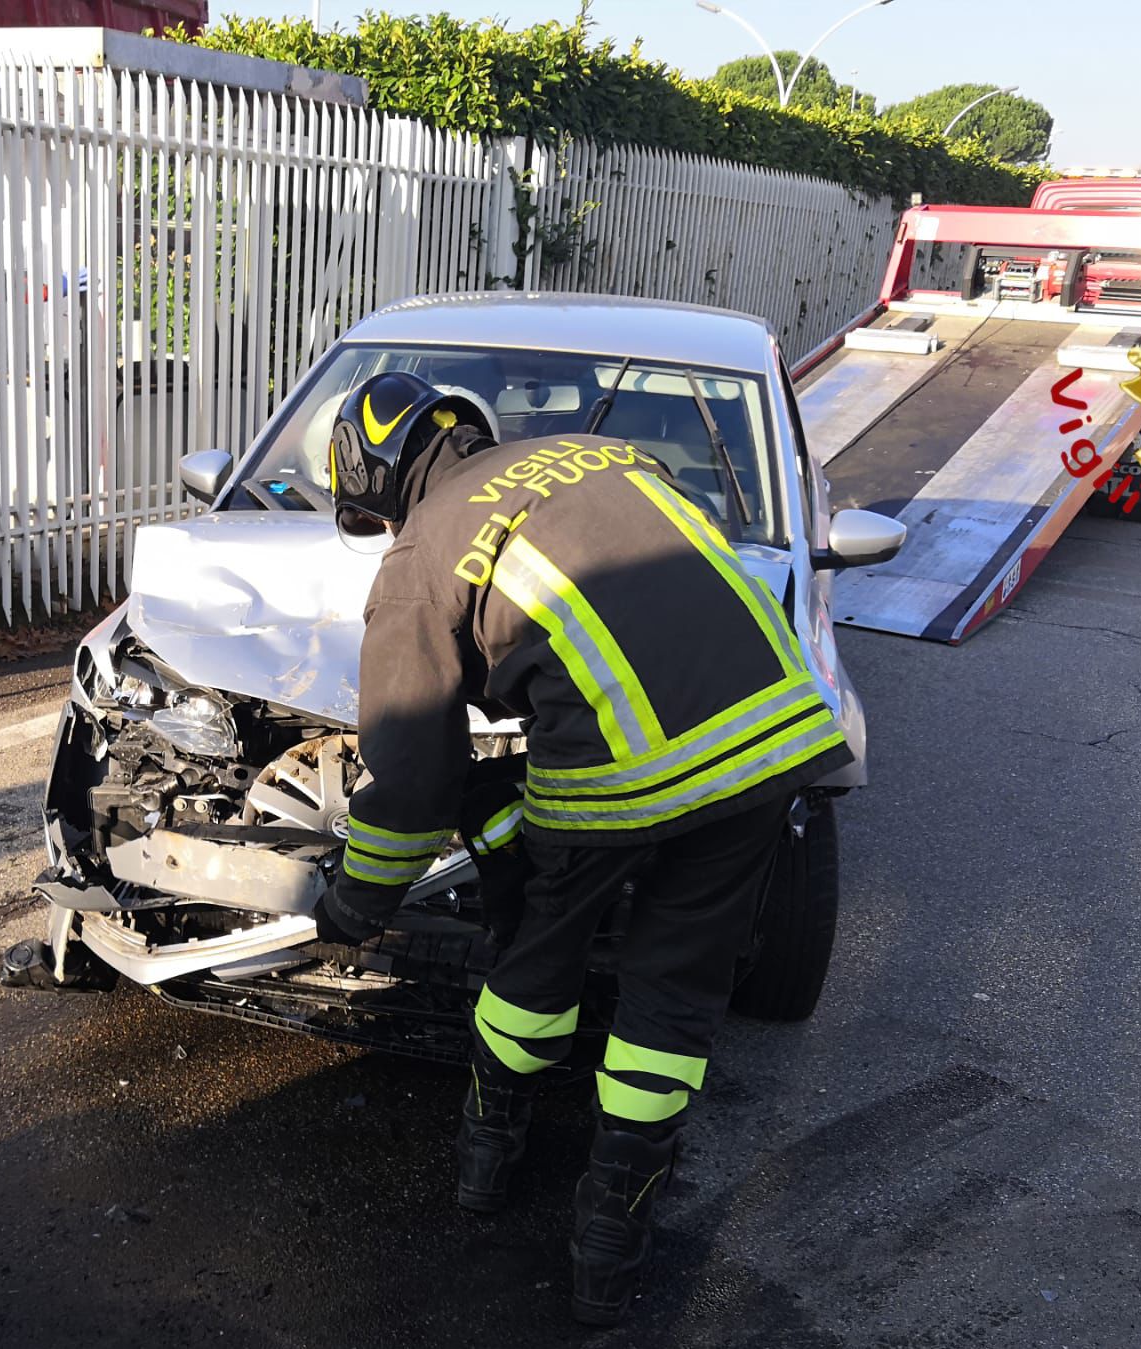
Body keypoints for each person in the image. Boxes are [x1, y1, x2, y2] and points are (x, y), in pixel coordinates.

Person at [311, 370, 853, 1326]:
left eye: (368, 508)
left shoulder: (423, 551)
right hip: (775, 736)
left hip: (624, 770)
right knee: (675, 992)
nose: (379, 526)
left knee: (535, 960)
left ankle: (487, 1162)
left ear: (379, 474)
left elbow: (411, 781)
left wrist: (357, 901)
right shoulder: (611, 459)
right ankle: (610, 1242)